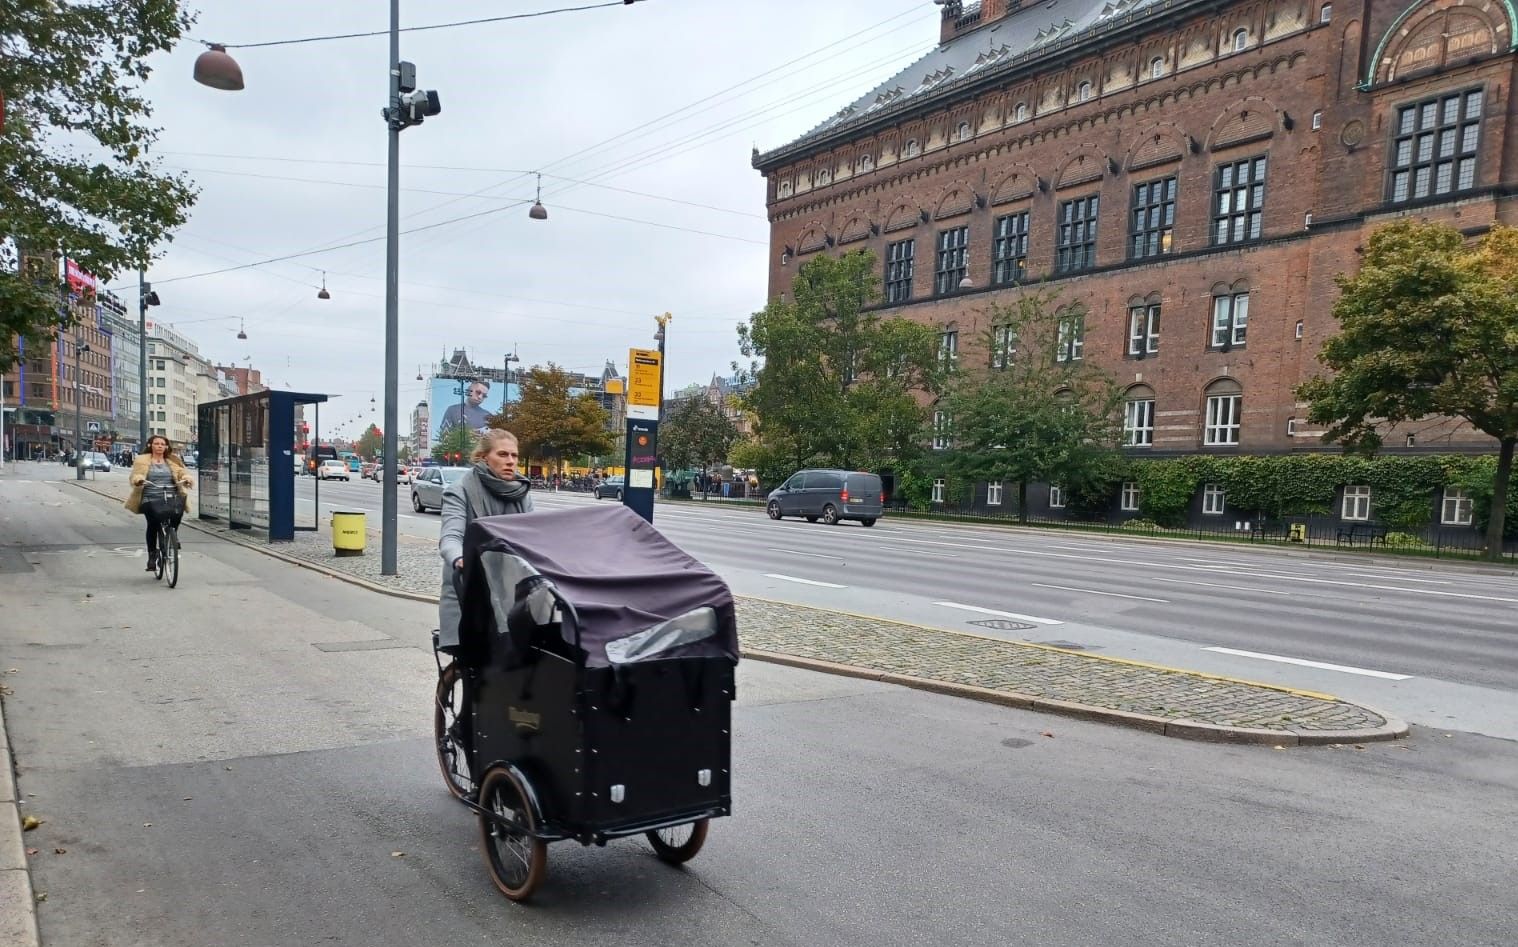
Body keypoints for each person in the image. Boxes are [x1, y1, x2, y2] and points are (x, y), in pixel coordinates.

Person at [436, 428, 533, 649]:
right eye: (502, 454)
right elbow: (450, 537)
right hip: (471, 588)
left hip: (510, 587)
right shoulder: (460, 491)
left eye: (514, 455)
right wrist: (460, 559)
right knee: (476, 663)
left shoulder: (521, 492)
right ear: (483, 458)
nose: (510, 461)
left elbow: (532, 536)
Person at [124, 434, 194, 572]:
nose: (160, 446)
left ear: (166, 446)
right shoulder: (142, 460)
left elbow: (181, 472)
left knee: (178, 509)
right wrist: (138, 480)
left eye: (162, 444)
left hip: (170, 494)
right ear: (151, 445)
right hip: (150, 496)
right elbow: (136, 475)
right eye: (157, 443)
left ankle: (173, 534)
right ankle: (152, 555)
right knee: (153, 524)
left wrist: (186, 478)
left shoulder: (172, 461)